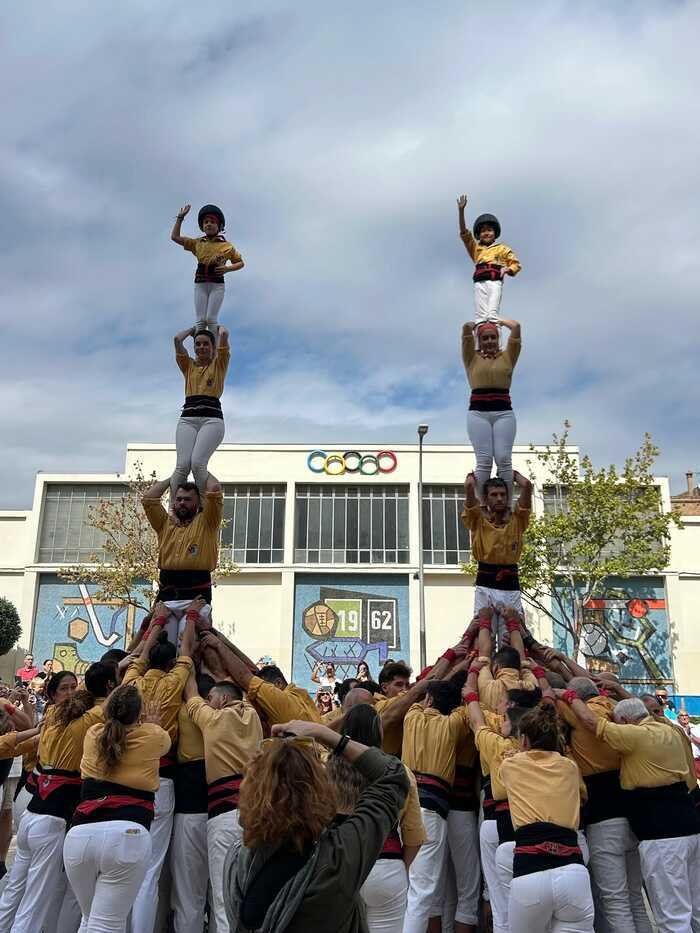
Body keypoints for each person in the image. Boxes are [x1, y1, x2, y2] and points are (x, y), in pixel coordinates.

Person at [222, 718, 409, 933]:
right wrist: (327, 735)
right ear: (322, 788)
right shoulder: (339, 858)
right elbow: (393, 774)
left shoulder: (238, 862)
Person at [566, 694, 700, 933]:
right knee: (695, 909)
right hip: (690, 827)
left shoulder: (636, 735)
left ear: (626, 721)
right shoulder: (671, 731)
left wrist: (568, 696)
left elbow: (592, 722)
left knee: (672, 916)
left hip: (662, 834)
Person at [0, 665, 112, 933]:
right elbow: (111, 701)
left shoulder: (51, 720)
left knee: (16, 889)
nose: (72, 692)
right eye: (65, 688)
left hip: (31, 816)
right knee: (34, 901)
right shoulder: (85, 722)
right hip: (50, 821)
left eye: (75, 688)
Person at [63, 683, 171, 932]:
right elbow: (163, 744)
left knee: (89, 920)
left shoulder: (92, 734)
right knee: (107, 924)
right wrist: (153, 723)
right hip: (127, 835)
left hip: (80, 835)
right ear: (139, 713)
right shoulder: (153, 735)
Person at [122, 603, 196, 933]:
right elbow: (186, 649)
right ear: (169, 664)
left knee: (120, 867)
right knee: (149, 869)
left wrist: (158, 620)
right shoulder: (174, 682)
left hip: (123, 782)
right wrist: (190, 616)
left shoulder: (132, 682)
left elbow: (138, 656)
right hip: (160, 780)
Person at [556, 678, 652, 933]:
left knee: (615, 901)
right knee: (635, 899)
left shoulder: (578, 715)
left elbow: (549, 697)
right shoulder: (614, 709)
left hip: (603, 820)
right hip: (632, 816)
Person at [327, 703, 425, 933]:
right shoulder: (399, 771)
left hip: (338, 867)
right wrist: (399, 866)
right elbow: (414, 836)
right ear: (378, 731)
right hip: (385, 866)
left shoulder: (325, 770)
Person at [184, 649, 263, 933]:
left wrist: (189, 666)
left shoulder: (212, 719)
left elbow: (191, 694)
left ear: (223, 700)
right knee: (253, 894)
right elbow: (230, 681)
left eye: (212, 698)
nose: (209, 701)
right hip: (256, 815)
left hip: (224, 817)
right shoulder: (253, 716)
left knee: (222, 896)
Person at [401, 679, 467, 933]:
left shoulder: (411, 716)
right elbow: (467, 706)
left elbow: (414, 699)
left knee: (408, 887)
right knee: (422, 891)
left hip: (403, 810)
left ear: (428, 700)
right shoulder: (453, 724)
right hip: (431, 813)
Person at [142, 474, 223, 639]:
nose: (182, 503)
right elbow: (150, 498)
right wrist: (176, 474)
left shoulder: (208, 522)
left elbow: (214, 489)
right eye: (178, 499)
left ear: (198, 502)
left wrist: (201, 469)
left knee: (186, 640)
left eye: (187, 499)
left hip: (197, 596)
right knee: (164, 643)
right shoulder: (164, 523)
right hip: (167, 596)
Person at [461, 471, 532, 646]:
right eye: (494, 495)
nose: (499, 498)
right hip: (485, 584)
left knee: (512, 638)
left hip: (511, 585)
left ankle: (510, 672)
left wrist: (510, 472)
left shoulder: (518, 520)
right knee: (485, 637)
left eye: (503, 494)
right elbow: (470, 490)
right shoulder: (477, 519)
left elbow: (527, 486)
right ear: (486, 499)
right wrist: (472, 478)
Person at [170, 672, 213, 933]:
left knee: (188, 896)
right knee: (221, 895)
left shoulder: (185, 712)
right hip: (225, 811)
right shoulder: (235, 717)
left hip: (189, 810)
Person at [461, 319, 521, 504]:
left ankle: (507, 507)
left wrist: (497, 320)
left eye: (493, 337)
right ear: (479, 339)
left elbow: (516, 328)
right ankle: (484, 507)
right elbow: (465, 332)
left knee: (504, 459)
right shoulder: (472, 357)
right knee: (484, 461)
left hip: (503, 412)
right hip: (478, 413)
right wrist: (476, 323)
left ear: (498, 338)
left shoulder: (508, 356)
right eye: (485, 338)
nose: (489, 341)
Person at [169, 324, 230, 502]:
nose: (201, 347)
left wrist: (212, 324)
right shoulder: (188, 365)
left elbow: (224, 333)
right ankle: (174, 508)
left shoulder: (219, 364)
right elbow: (177, 340)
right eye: (198, 344)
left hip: (211, 420)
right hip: (187, 419)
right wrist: (192, 330)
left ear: (213, 348)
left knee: (197, 463)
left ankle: (202, 505)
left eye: (206, 344)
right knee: (182, 466)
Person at [170, 203, 244, 334]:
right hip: (200, 283)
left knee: (210, 318)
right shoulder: (198, 243)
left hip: (217, 285)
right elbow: (175, 237)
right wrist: (180, 218)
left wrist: (227, 269)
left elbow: (240, 263)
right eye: (206, 222)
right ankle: (200, 351)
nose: (208, 224)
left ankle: (215, 350)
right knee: (200, 320)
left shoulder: (227, 246)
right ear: (202, 226)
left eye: (212, 222)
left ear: (219, 226)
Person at [456, 195, 521, 328]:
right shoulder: (475, 248)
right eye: (483, 231)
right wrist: (461, 211)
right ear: (479, 234)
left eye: (489, 230)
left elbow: (516, 264)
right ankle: (480, 345)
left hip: (494, 281)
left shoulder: (502, 248)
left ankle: (497, 344)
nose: (486, 233)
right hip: (480, 282)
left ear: (495, 233)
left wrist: (507, 269)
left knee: (492, 314)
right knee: (480, 316)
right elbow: (464, 233)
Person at [678, 709, 700, 780]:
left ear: (689, 717)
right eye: (682, 715)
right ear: (678, 718)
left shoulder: (696, 727)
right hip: (683, 762)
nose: (684, 717)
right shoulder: (675, 729)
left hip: (696, 760)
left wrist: (690, 735)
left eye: (686, 715)